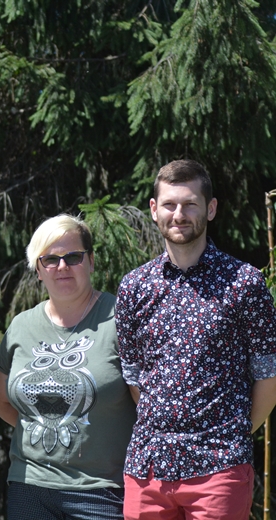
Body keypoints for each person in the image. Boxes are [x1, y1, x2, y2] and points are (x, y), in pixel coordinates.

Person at [116, 159, 276, 520]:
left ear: (211, 208)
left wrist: (233, 434)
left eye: (190, 204)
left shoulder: (244, 284)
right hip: (148, 470)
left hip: (219, 470)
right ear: (155, 210)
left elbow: (269, 377)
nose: (179, 214)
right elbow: (133, 376)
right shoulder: (134, 287)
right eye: (170, 204)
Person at [0, 214, 137, 520]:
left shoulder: (121, 319)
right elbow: (3, 401)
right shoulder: (20, 326)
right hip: (29, 485)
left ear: (91, 262)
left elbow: (146, 406)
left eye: (73, 257)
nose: (62, 267)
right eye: (50, 260)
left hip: (102, 490)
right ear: (38, 270)